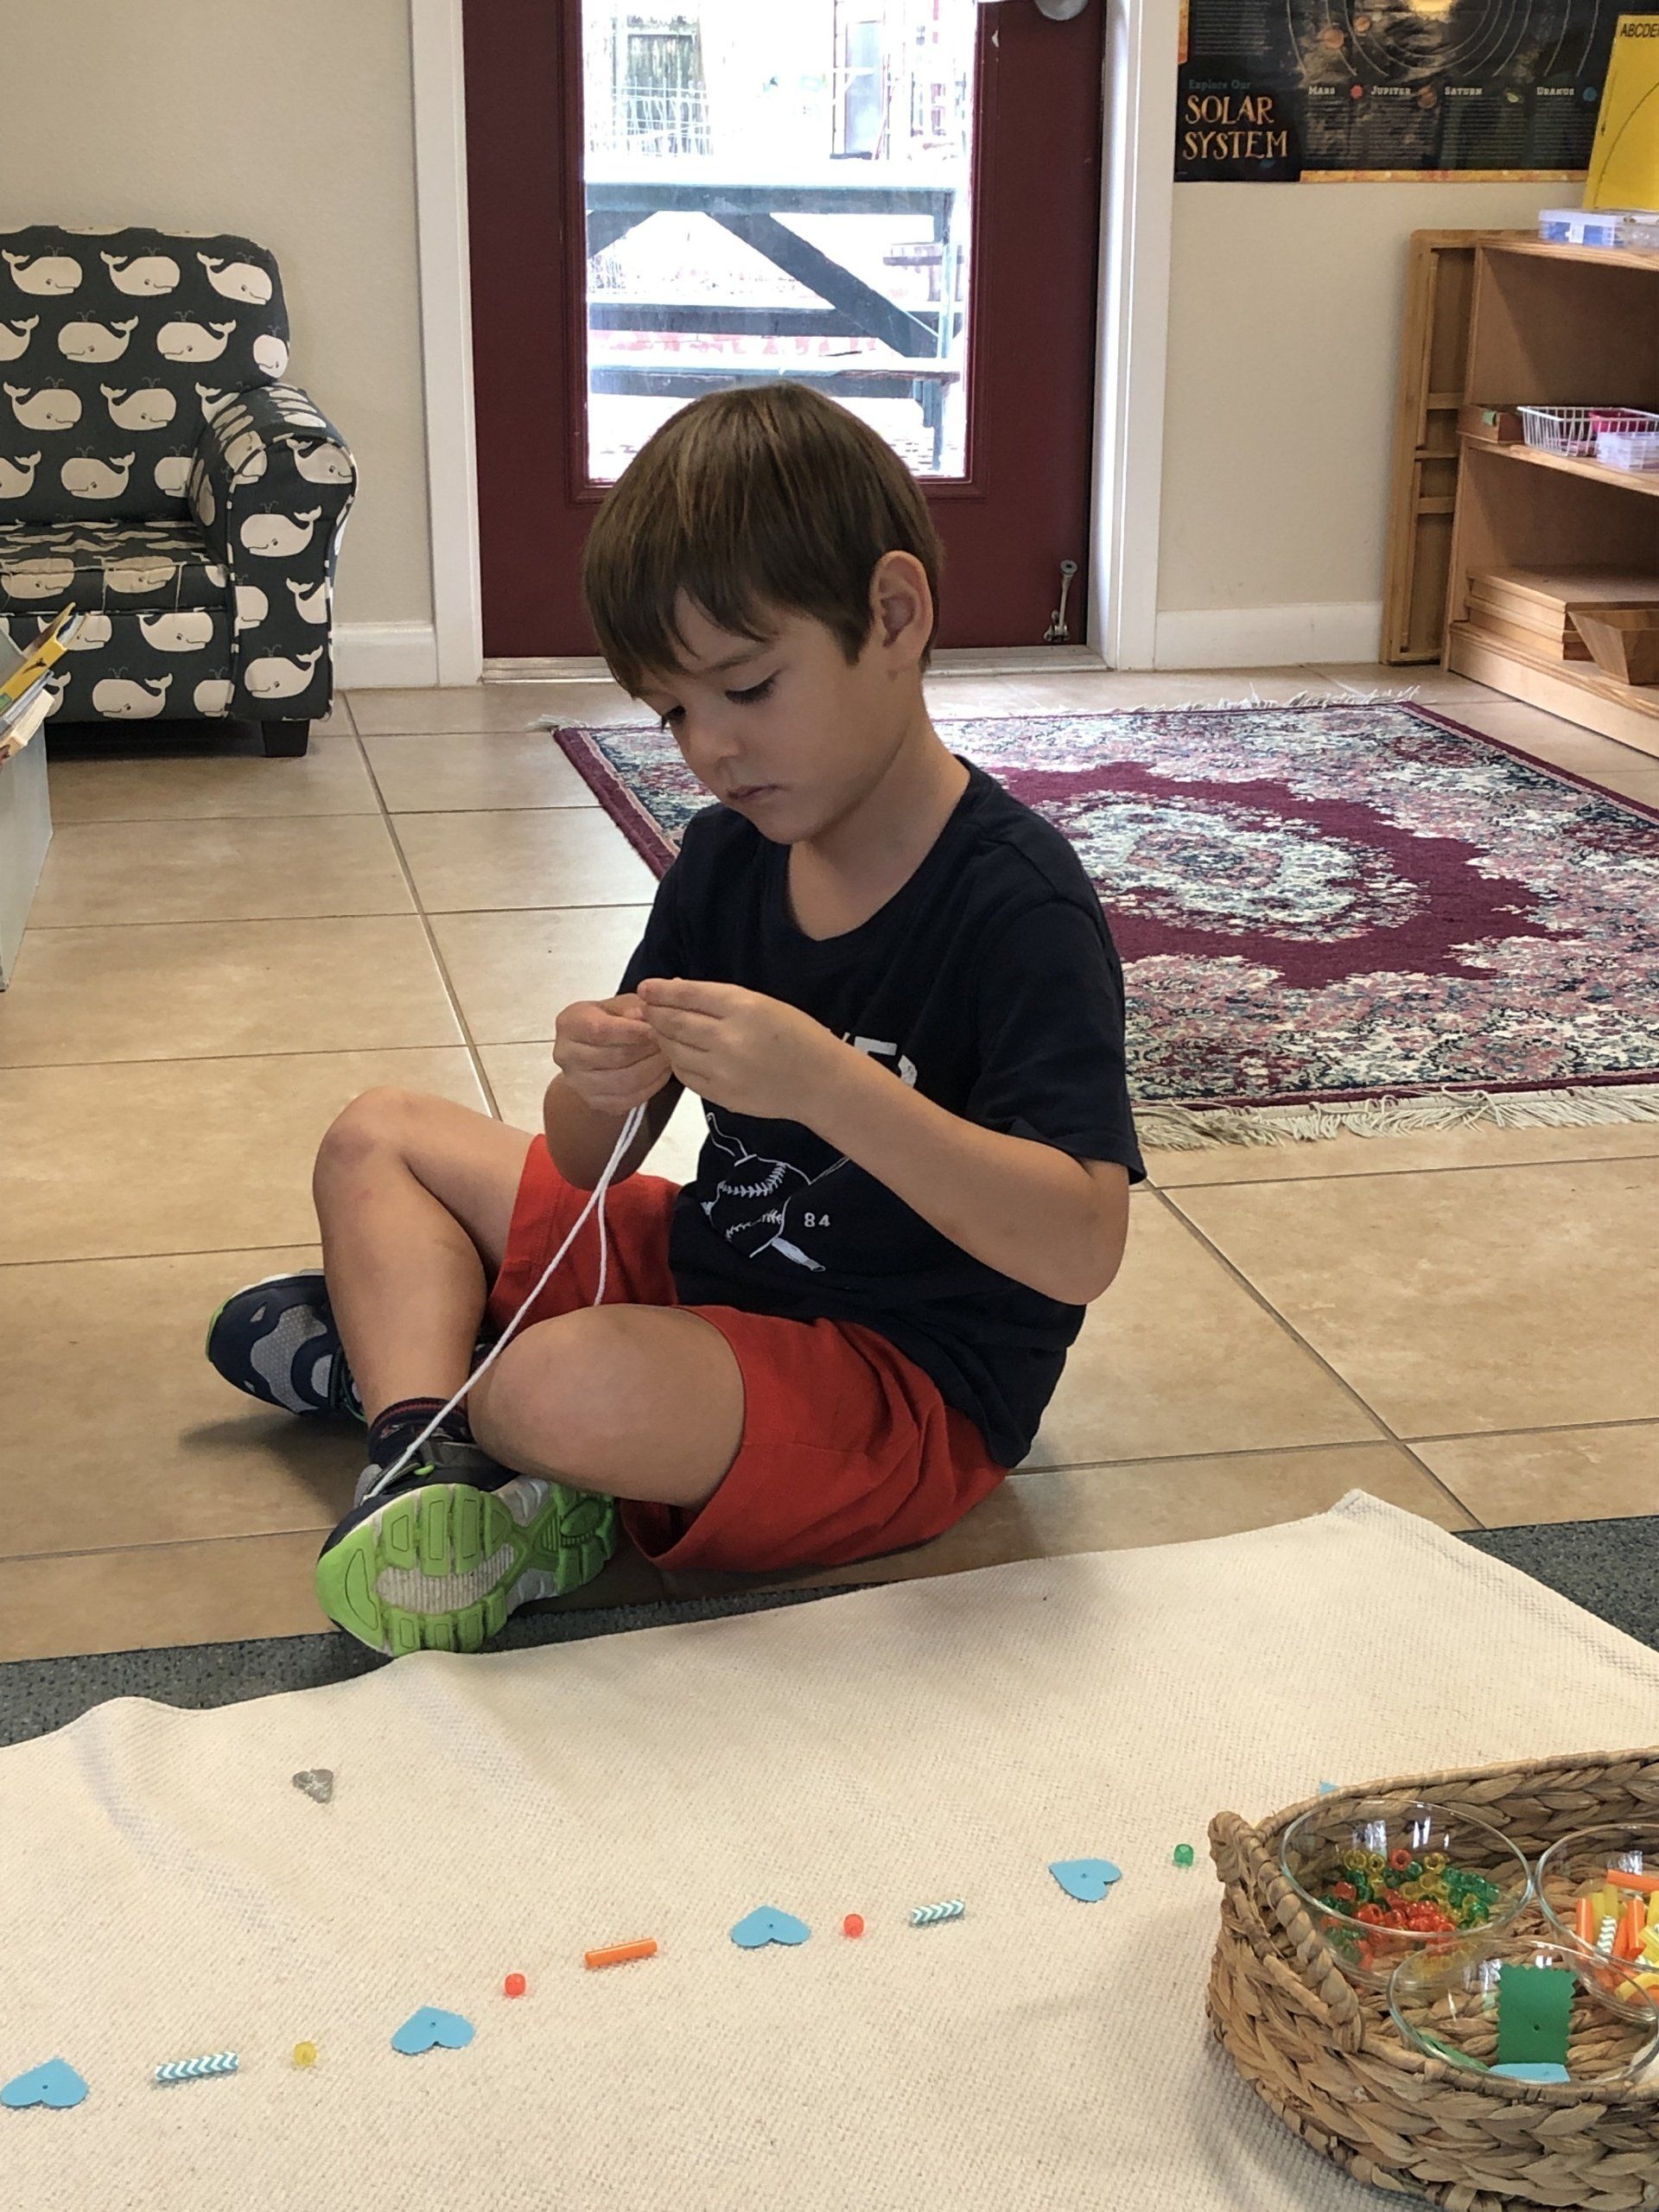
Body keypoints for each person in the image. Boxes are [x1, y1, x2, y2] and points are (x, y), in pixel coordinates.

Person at [206, 385, 1144, 1656]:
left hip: (902, 1387)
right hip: (715, 1271)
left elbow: (1081, 1243)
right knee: (378, 1136)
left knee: (562, 1384)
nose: (709, 748)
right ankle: (415, 1447)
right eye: (673, 712)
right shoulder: (727, 855)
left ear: (894, 615)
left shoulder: (1015, 903)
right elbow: (594, 1165)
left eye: (748, 688)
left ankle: (443, 1373)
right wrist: (598, 1077)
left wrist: (825, 1085)